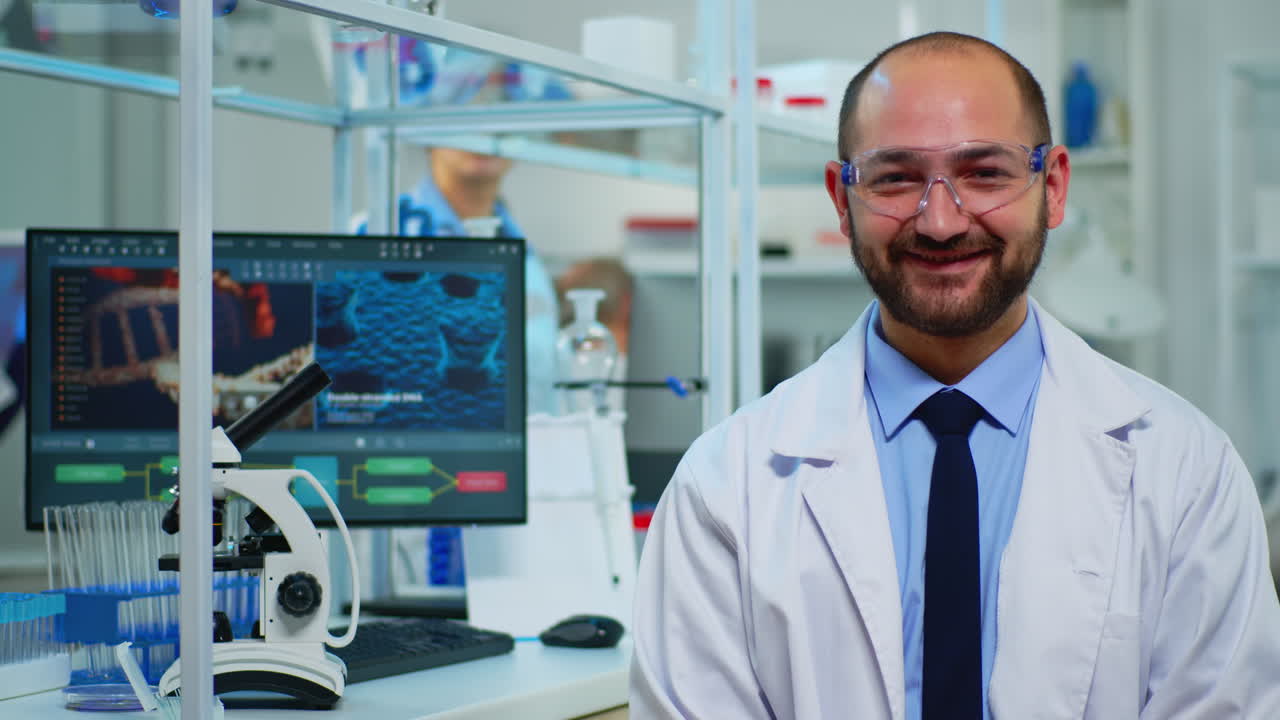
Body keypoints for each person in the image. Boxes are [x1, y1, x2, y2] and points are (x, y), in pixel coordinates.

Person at [631, 31, 1280, 720]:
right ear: (842, 199)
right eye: (895, 177)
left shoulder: (1187, 472)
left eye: (985, 173)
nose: (940, 222)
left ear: (1053, 186)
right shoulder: (725, 488)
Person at [354, 41, 570, 417]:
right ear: (424, 124)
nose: (485, 129)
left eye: (502, 111)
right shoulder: (377, 230)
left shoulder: (523, 251)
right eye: (465, 106)